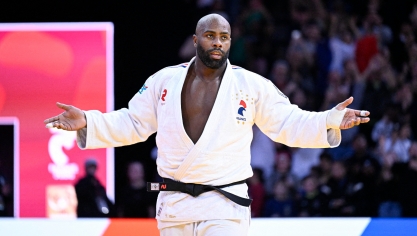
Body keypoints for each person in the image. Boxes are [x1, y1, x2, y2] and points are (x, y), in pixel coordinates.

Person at [44, 13, 370, 236]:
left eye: (224, 37)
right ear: (196, 38)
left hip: (225, 204)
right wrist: (87, 119)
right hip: (174, 204)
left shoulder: (250, 85)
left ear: (230, 42)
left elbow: (287, 121)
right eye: (211, 36)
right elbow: (132, 122)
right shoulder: (165, 81)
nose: (218, 42)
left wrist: (330, 120)